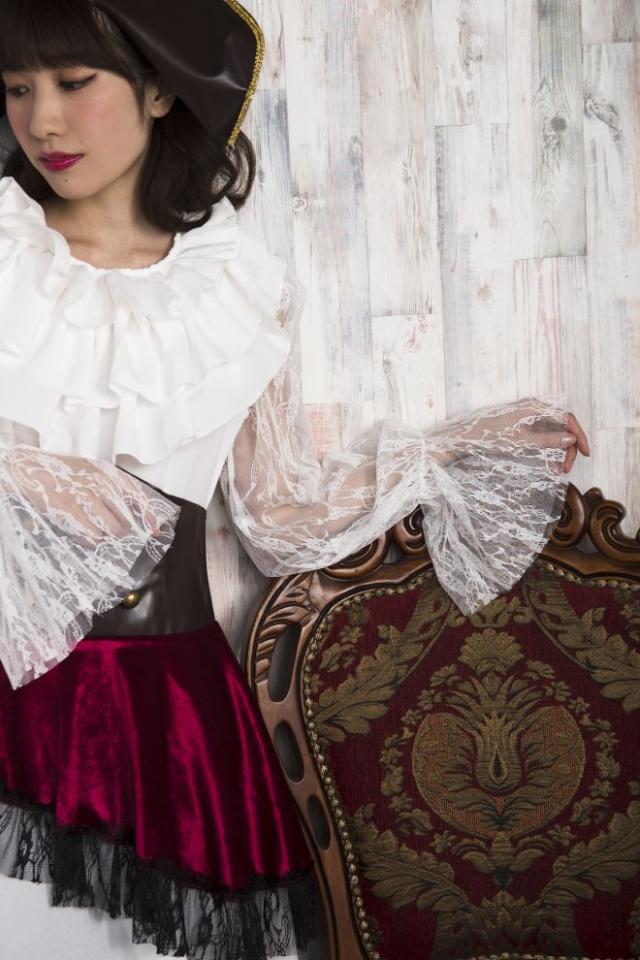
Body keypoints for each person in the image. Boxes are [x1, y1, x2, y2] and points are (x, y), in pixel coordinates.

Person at [0, 1, 590, 958]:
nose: (43, 120)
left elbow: (279, 518)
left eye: (73, 82)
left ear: (158, 90)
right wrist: (29, 480)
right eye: (17, 88)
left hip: (172, 713)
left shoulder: (236, 285)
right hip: (12, 699)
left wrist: (453, 451)